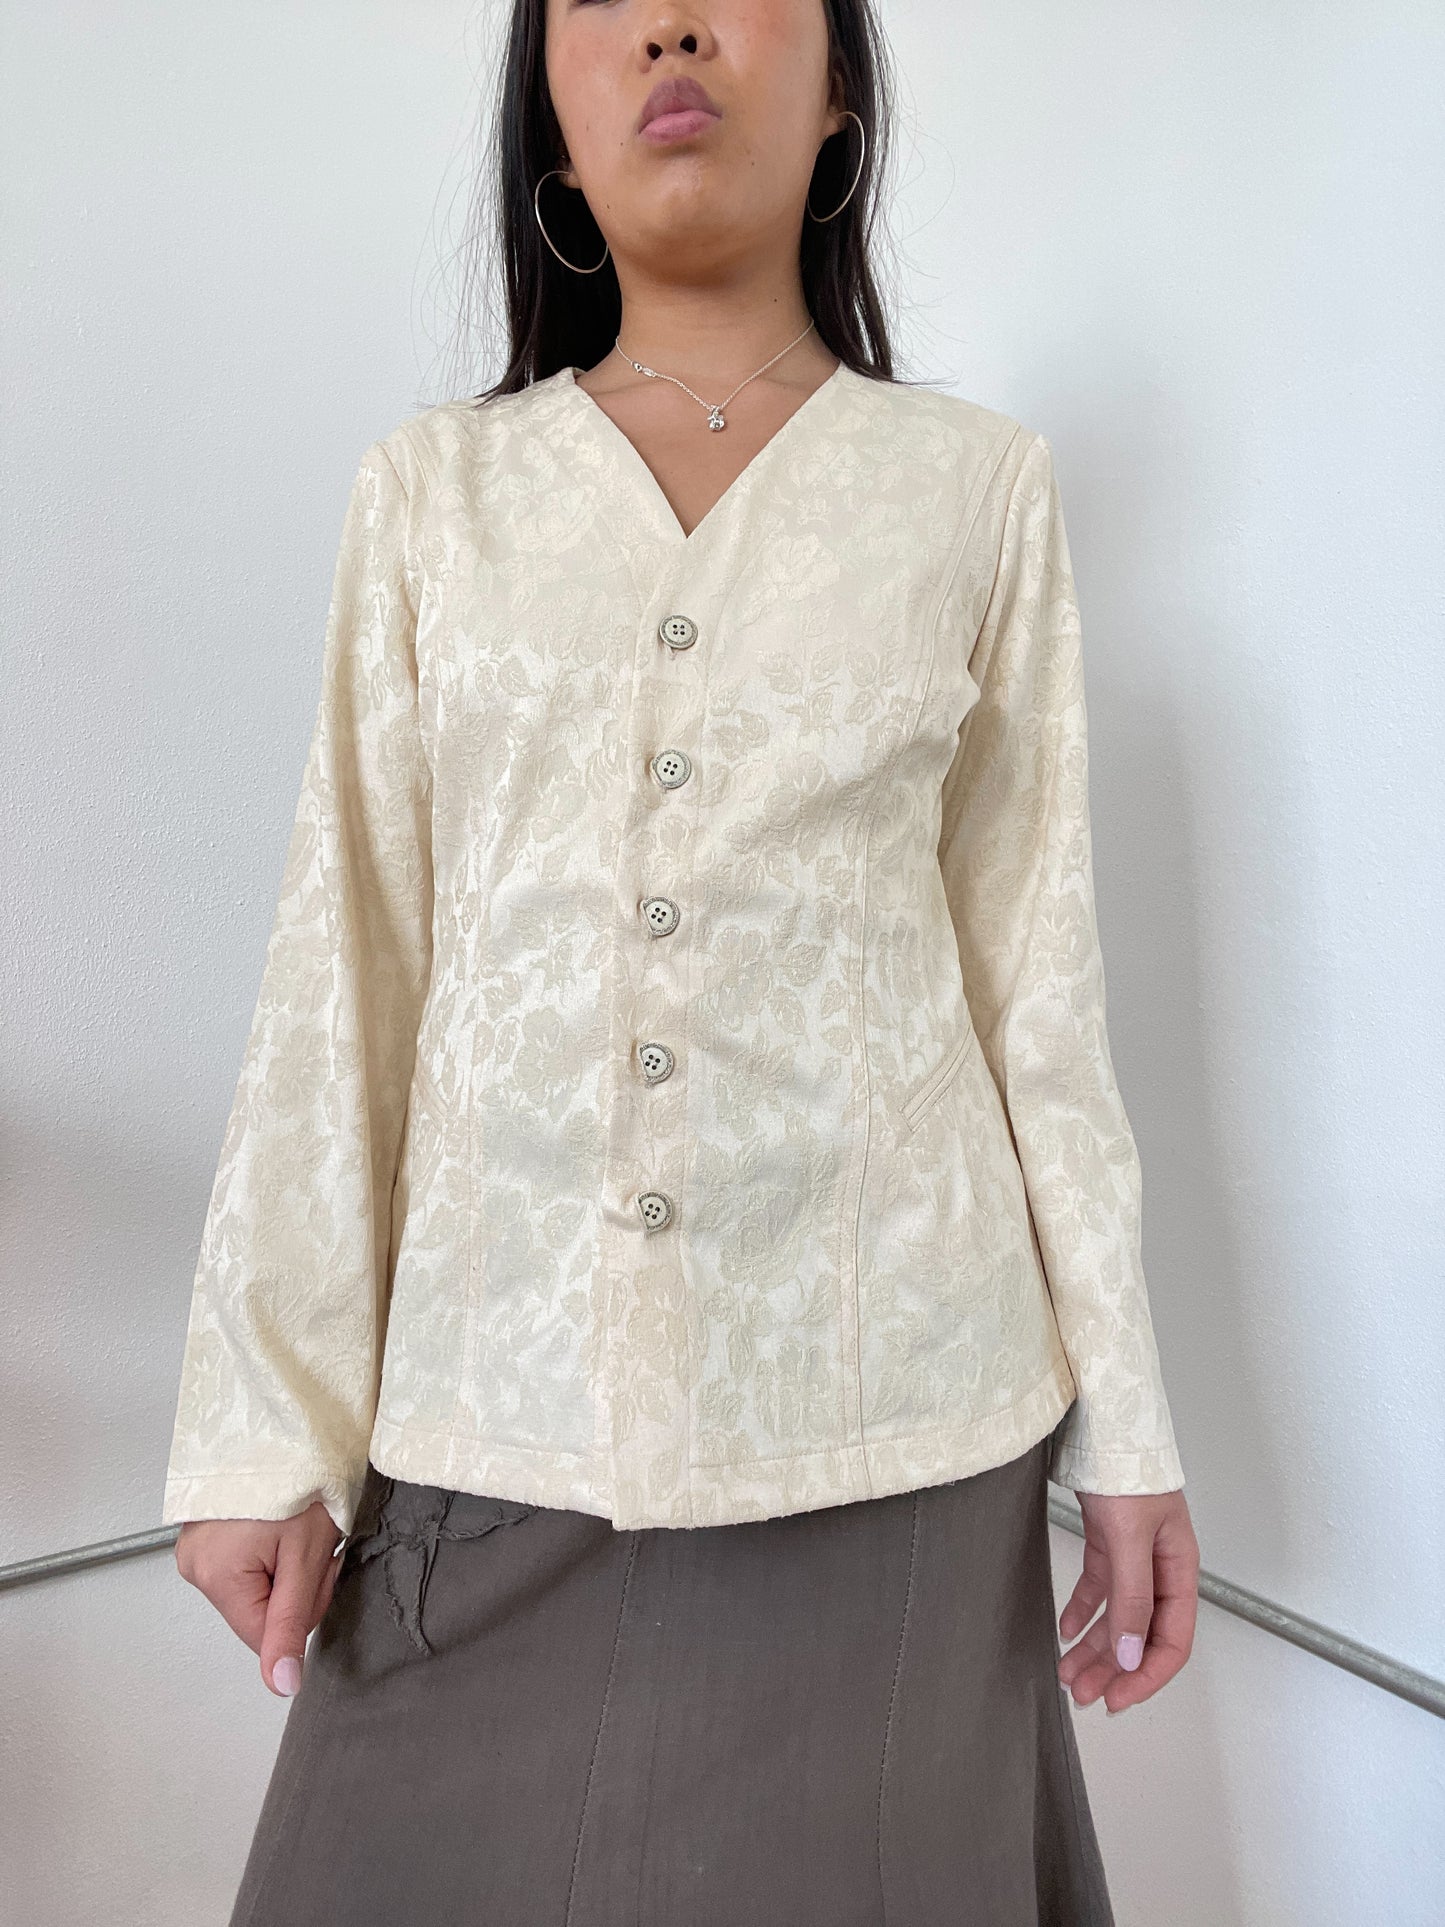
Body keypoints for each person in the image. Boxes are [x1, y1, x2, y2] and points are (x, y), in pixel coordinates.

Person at [164, 2, 1200, 1920]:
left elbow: (1035, 992)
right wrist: (261, 1422)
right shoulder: (435, 496)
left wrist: (1127, 1424)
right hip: (494, 1409)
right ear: (548, 130)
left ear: (841, 97)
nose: (671, 23)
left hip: (897, 1432)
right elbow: (345, 968)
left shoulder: (971, 490)